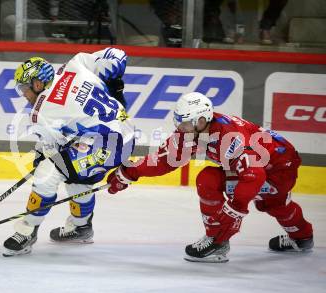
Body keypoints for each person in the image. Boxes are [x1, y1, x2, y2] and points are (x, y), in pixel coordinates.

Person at [106, 92, 314, 263]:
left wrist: (235, 210)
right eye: (179, 123)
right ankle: (301, 237)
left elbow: (253, 176)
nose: (181, 129)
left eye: (185, 124)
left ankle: (220, 241)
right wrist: (128, 173)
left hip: (279, 168)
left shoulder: (231, 136)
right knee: (208, 179)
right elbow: (165, 159)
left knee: (273, 203)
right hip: (260, 166)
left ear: (202, 119)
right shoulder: (194, 131)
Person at [3, 47, 135, 257]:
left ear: (37, 84)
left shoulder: (41, 111)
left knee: (46, 173)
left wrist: (41, 159)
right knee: (76, 176)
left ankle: (27, 230)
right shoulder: (75, 65)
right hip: (125, 133)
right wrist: (115, 85)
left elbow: (51, 151)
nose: (24, 94)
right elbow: (117, 55)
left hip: (106, 145)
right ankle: (81, 227)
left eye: (24, 88)